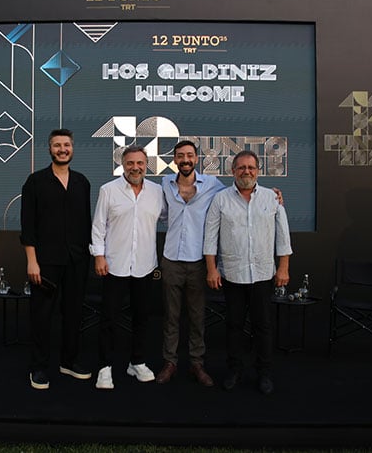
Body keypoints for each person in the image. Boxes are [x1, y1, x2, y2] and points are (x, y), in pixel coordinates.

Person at [203, 150, 292, 395]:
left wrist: (283, 267)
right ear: (233, 171)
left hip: (263, 274)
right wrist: (211, 269)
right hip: (232, 275)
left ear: (258, 171)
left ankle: (264, 373)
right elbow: (210, 237)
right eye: (241, 167)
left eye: (251, 167)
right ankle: (234, 371)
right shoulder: (220, 199)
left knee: (263, 327)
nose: (246, 172)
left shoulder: (271, 198)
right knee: (234, 326)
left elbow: (283, 236)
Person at [20, 129, 92, 390]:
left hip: (77, 260)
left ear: (73, 148)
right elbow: (28, 225)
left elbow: (86, 223)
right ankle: (38, 367)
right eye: (57, 145)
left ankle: (69, 362)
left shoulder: (82, 182)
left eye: (66, 145)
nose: (62, 149)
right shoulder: (35, 182)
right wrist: (32, 261)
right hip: (45, 262)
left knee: (73, 314)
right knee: (42, 316)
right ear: (50, 149)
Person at [90, 145, 163, 390]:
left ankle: (137, 362)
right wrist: (99, 256)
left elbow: (170, 216)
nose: (135, 167)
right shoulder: (108, 190)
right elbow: (98, 226)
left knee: (142, 318)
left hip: (145, 265)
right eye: (130, 163)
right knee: (108, 320)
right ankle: (104, 367)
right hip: (114, 265)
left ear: (146, 165)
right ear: (123, 165)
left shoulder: (157, 192)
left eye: (140, 163)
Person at [155, 140, 224, 387]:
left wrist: (273, 195)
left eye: (190, 155)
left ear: (196, 159)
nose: (185, 160)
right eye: (180, 156)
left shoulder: (213, 185)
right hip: (171, 259)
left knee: (197, 316)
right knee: (171, 316)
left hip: (198, 261)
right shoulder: (164, 184)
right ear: (174, 160)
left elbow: (236, 195)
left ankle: (197, 364)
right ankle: (170, 363)